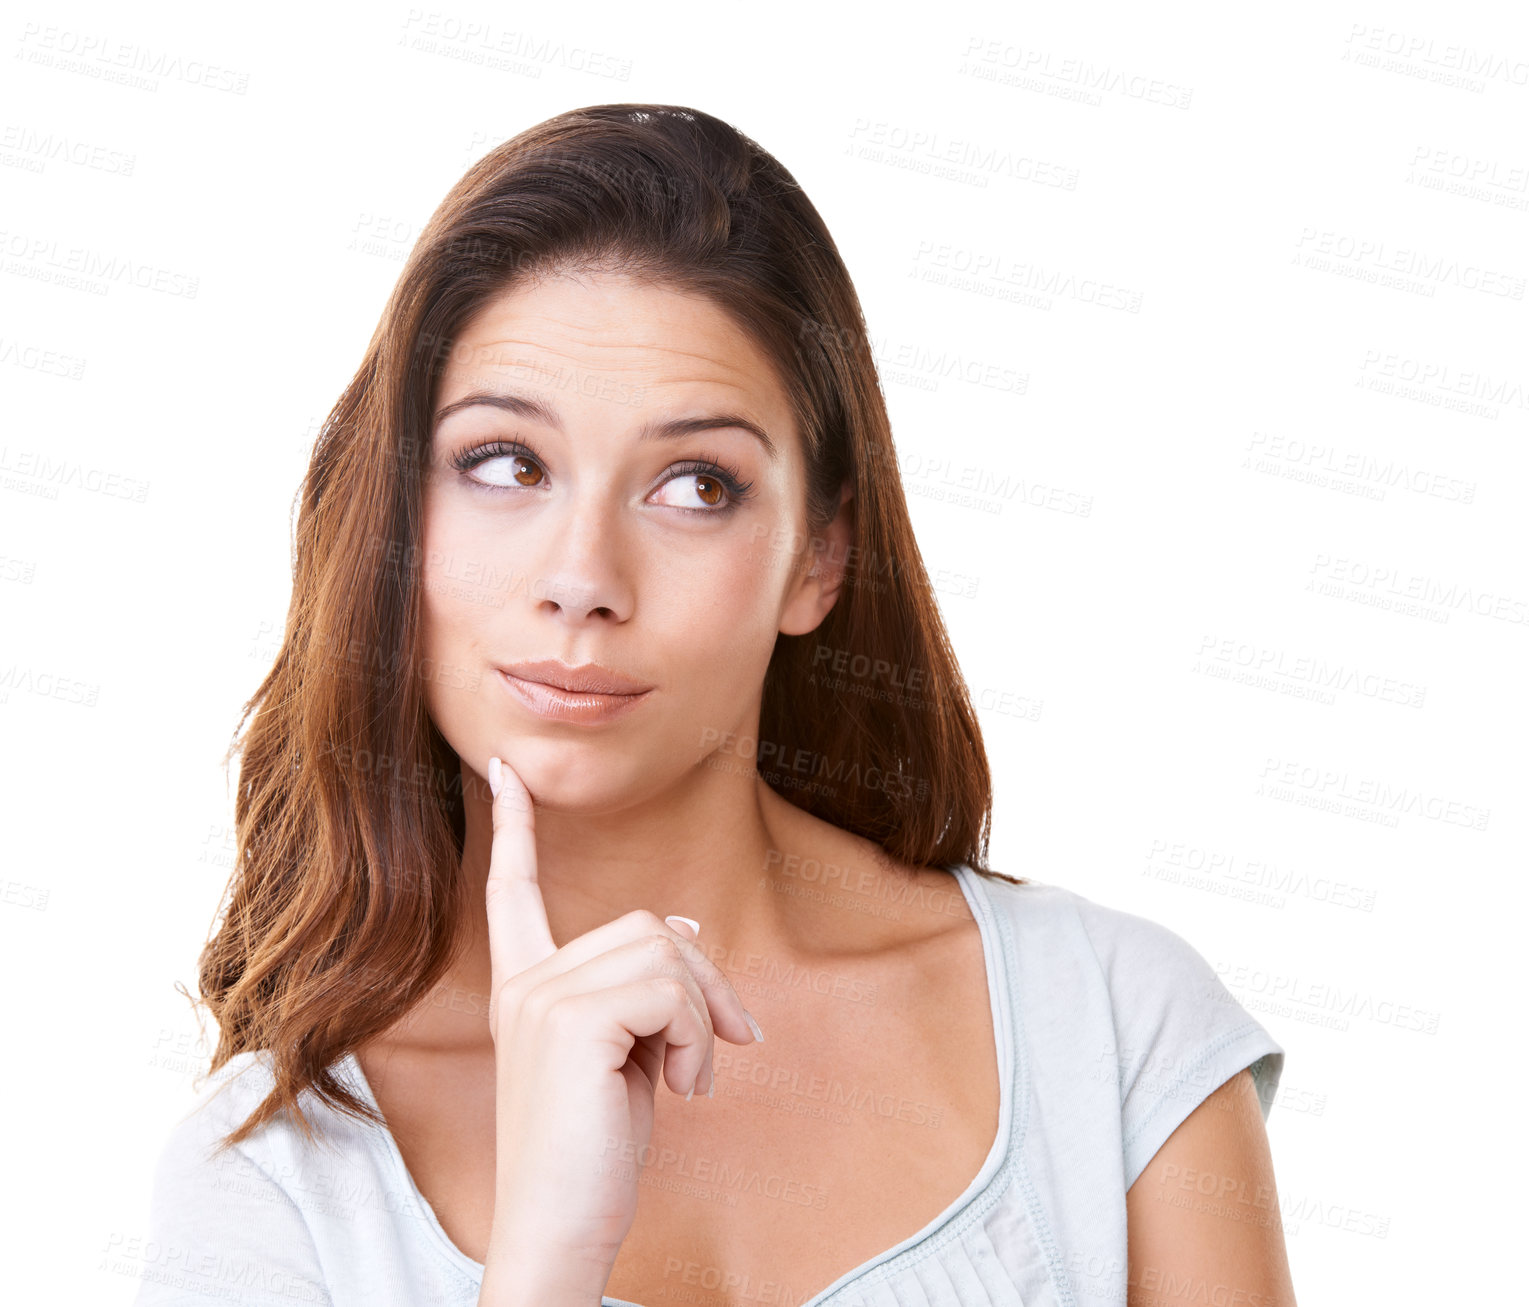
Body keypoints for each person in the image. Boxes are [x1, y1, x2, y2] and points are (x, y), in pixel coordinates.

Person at [134, 104, 1296, 1307]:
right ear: (395, 519)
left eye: (695, 484)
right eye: (505, 462)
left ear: (818, 559)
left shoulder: (1107, 1027)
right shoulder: (269, 1184)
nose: (581, 577)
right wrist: (543, 1258)